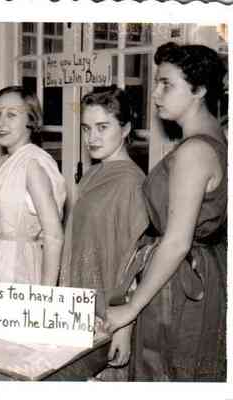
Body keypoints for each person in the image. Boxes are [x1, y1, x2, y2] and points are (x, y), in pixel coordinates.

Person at [103, 42, 227, 381]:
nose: (155, 93)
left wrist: (130, 309)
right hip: (201, 272)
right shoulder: (216, 138)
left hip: (180, 285)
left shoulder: (194, 152)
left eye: (166, 84)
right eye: (156, 83)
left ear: (199, 90)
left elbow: (175, 243)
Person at [59, 87, 148, 378]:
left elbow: (135, 261)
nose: (92, 138)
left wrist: (124, 328)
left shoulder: (132, 183)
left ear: (126, 129)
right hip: (78, 300)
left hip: (108, 312)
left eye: (102, 127)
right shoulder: (91, 175)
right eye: (86, 128)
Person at [0, 86, 66, 285]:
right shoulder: (1, 163)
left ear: (31, 120)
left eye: (11, 115)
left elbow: (54, 235)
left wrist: (46, 294)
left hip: (19, 267)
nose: (1, 122)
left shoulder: (33, 164)